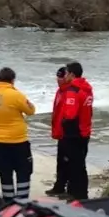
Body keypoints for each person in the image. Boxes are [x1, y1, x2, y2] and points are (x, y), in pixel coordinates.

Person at [0, 66, 36, 201]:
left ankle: (8, 202)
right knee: (23, 171)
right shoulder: (16, 95)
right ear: (12, 80)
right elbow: (30, 111)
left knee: (5, 172)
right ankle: (22, 201)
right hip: (19, 141)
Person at [57, 61, 93, 201]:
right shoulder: (87, 88)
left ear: (71, 74)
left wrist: (63, 122)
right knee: (79, 164)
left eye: (66, 73)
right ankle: (77, 193)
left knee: (74, 165)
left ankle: (78, 195)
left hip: (74, 133)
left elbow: (70, 115)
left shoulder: (73, 90)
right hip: (85, 130)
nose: (64, 75)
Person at [45, 66, 71, 197]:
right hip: (60, 130)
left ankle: (67, 188)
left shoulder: (70, 92)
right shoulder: (60, 91)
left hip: (68, 132)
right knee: (61, 160)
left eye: (61, 77)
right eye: (58, 77)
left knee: (68, 161)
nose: (58, 80)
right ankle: (59, 186)